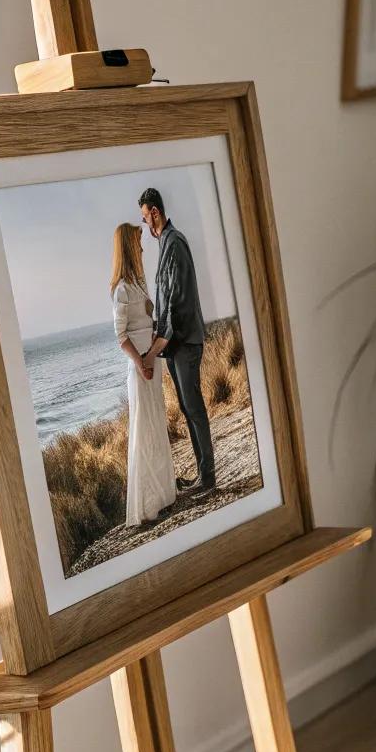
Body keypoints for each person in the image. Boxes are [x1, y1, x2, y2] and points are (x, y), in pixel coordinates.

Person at [138, 186, 216, 493]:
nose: (145, 224)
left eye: (145, 218)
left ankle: (208, 479)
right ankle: (202, 476)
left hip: (184, 341)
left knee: (194, 408)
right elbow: (167, 298)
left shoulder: (174, 243)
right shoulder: (167, 244)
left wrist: (158, 343)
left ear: (154, 212)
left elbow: (176, 302)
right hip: (176, 344)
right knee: (187, 407)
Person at [111, 222, 177, 528]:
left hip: (150, 359)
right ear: (127, 247)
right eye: (137, 244)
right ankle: (147, 504)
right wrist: (141, 363)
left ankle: (163, 495)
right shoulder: (122, 289)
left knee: (155, 424)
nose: (141, 248)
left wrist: (153, 353)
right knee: (143, 428)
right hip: (141, 368)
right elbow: (120, 335)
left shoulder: (139, 284)